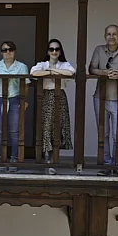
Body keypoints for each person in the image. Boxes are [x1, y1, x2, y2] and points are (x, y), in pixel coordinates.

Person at [89, 24, 118, 177]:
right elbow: (91, 69)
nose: (111, 37)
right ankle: (106, 165)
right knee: (103, 134)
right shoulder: (99, 49)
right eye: (108, 34)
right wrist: (104, 73)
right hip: (100, 98)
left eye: (114, 34)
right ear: (105, 36)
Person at [30, 39, 75, 175]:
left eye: (57, 49)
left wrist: (52, 70)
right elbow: (34, 73)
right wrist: (51, 72)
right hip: (47, 97)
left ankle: (54, 159)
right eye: (51, 49)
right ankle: (49, 160)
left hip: (60, 97)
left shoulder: (64, 64)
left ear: (60, 51)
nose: (54, 52)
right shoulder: (42, 64)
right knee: (47, 126)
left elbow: (71, 72)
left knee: (59, 127)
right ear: (48, 51)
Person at [0, 41, 30, 173]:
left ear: (14, 51)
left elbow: (25, 85)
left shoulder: (22, 67)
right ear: (1, 52)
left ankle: (14, 159)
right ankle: (3, 159)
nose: (7, 52)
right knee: (0, 131)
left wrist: (24, 100)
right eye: (4, 50)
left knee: (14, 131)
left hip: (14, 99)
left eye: (10, 49)